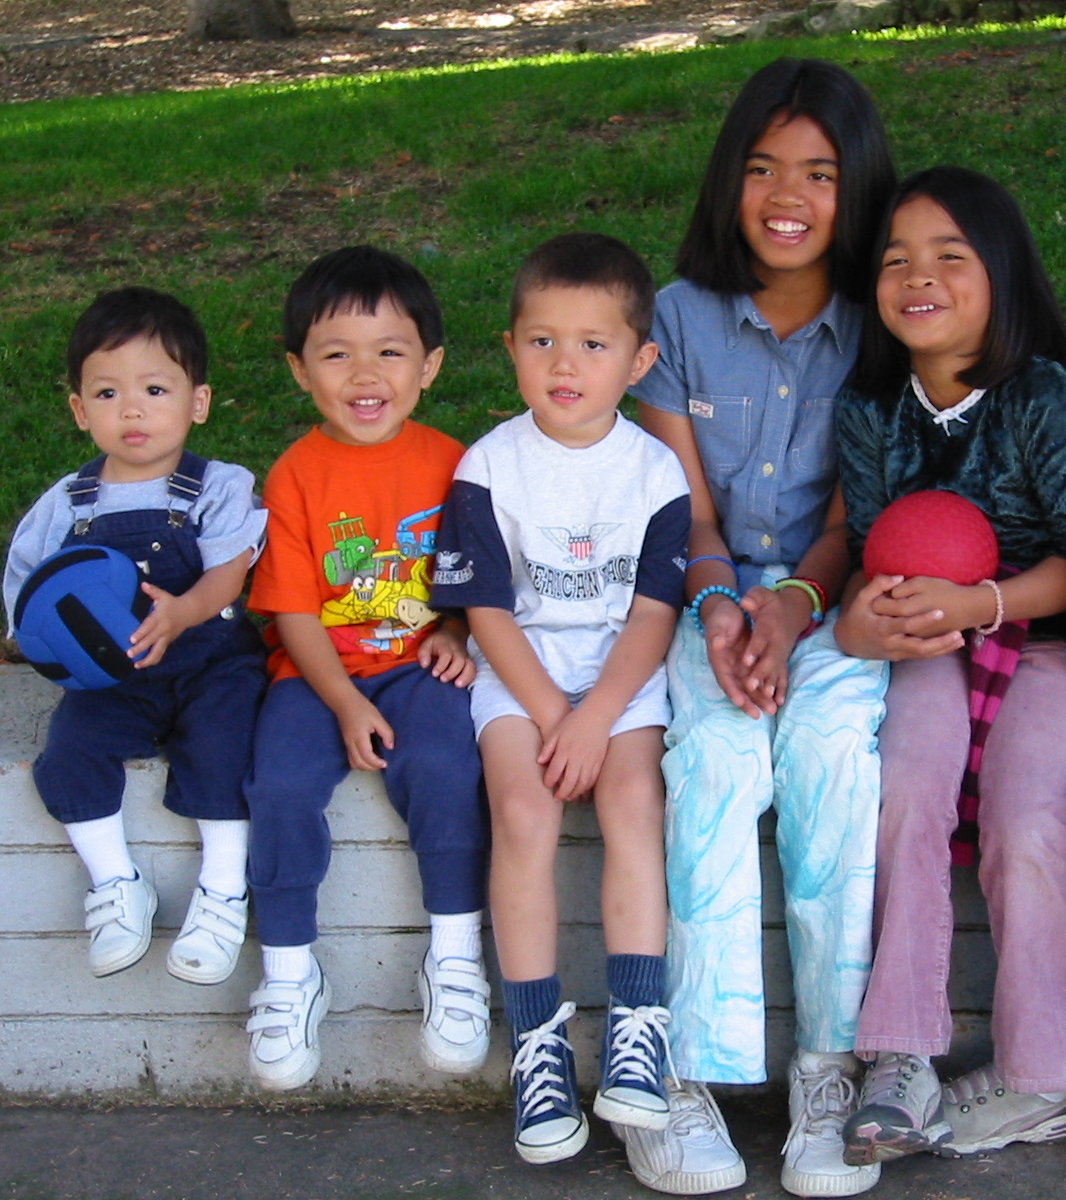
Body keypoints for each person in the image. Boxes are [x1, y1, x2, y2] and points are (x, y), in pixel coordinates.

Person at [627, 57, 897, 1198]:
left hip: (832, 598)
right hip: (700, 594)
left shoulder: (881, 325)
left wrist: (792, 609)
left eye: (821, 173)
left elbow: (851, 516)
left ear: (859, 187)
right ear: (727, 180)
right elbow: (683, 507)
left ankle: (827, 1070)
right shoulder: (676, 319)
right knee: (717, 762)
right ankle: (686, 1073)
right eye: (762, 167)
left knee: (831, 758)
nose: (788, 195)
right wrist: (725, 606)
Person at [832, 167, 1066, 1172]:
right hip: (931, 644)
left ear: (1002, 272)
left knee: (1027, 821)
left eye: (949, 256)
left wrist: (981, 604)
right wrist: (865, 621)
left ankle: (1041, 1074)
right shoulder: (870, 406)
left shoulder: (1035, 393)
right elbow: (870, 551)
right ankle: (900, 1053)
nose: (919, 277)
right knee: (905, 791)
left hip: (1044, 639)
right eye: (896, 259)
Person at [430, 232, 691, 1166]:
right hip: (523, 671)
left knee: (633, 802)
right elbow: (487, 611)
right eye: (542, 342)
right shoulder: (488, 465)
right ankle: (536, 1042)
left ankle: (637, 1024)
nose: (565, 365)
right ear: (510, 347)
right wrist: (554, 718)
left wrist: (595, 718)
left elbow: (655, 613)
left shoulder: (655, 470)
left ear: (639, 361)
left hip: (621, 675)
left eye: (592, 344)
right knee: (522, 811)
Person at [241, 246, 488, 1092]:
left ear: (430, 365)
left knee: (448, 768)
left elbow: (473, 579)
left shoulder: (455, 463)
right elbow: (293, 612)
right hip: (317, 674)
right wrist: (344, 703)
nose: (365, 374)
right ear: (299, 370)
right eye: (336, 354)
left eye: (390, 350)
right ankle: (288, 972)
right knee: (278, 786)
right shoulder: (294, 477)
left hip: (419, 666)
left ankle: (455, 956)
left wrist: (453, 629)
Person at [4, 287, 267, 985]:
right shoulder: (67, 505)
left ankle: (223, 890)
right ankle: (116, 883)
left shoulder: (217, 487)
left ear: (197, 402)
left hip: (210, 664)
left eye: (154, 389)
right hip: (114, 678)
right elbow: (29, 592)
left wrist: (183, 612)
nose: (131, 409)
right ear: (79, 410)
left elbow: (230, 572)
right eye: (107, 393)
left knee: (226, 746)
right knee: (69, 751)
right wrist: (45, 642)